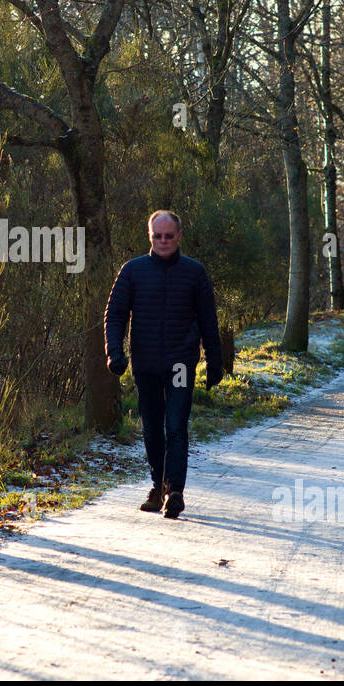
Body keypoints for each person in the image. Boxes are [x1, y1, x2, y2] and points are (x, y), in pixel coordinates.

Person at [104, 210, 222, 519]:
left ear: (179, 236)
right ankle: (158, 487)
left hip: (181, 362)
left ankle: (175, 492)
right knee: (153, 429)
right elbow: (115, 313)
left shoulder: (194, 273)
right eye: (158, 236)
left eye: (169, 235)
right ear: (150, 237)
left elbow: (209, 319)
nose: (164, 240)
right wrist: (114, 352)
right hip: (145, 364)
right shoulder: (133, 271)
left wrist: (215, 361)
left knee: (176, 425)